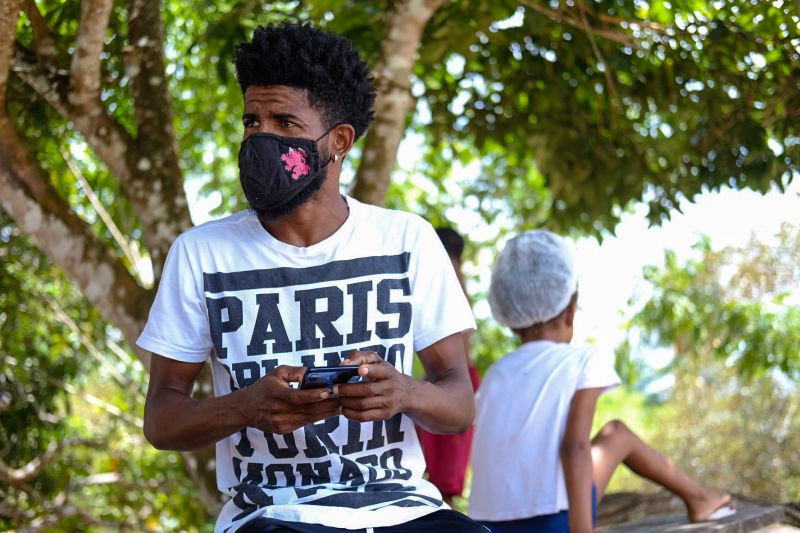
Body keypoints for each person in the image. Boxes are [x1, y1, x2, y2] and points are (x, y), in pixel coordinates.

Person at [138, 22, 487, 533]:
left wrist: (404, 393)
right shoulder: (201, 254)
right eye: (251, 121)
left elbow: (458, 404)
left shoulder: (407, 241)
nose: (261, 138)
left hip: (404, 509)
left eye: (285, 122)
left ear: (338, 141)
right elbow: (161, 419)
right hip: (268, 515)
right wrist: (246, 407)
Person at [467, 230, 736, 533]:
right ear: (570, 311)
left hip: (486, 524)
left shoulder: (496, 373)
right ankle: (700, 498)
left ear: (511, 317)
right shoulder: (583, 359)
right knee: (617, 434)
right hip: (552, 522)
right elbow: (574, 448)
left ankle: (700, 497)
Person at [416, 227, 481, 507]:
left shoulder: (445, 271)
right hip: (445, 379)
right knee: (437, 478)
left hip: (452, 381)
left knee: (442, 478)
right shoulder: (452, 274)